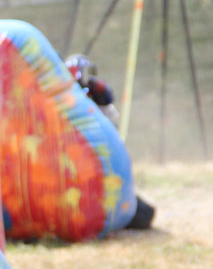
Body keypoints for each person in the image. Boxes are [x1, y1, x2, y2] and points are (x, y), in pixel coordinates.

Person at [64, 54, 155, 229]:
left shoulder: (97, 96)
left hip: (98, 171)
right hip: (72, 174)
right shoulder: (59, 101)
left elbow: (112, 129)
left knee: (144, 215)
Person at [65, 53, 120, 127]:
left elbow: (108, 107)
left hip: (97, 125)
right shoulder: (64, 91)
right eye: (85, 71)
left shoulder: (95, 86)